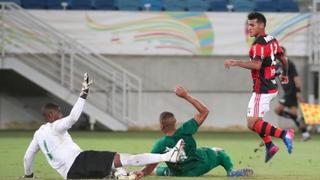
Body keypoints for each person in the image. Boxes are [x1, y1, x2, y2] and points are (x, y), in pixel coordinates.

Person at [22, 73, 185, 179]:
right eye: (58, 113)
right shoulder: (55, 127)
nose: (60, 115)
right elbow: (73, 117)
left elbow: (28, 157)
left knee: (112, 171)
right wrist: (83, 94)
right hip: (80, 161)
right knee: (127, 158)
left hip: (71, 175)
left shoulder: (38, 134)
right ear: (50, 116)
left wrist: (28, 176)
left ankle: (119, 175)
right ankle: (167, 157)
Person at [134, 85, 253, 179]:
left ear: (161, 126)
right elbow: (204, 111)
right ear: (175, 122)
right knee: (219, 152)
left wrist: (141, 173)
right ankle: (231, 172)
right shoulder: (185, 130)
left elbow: (148, 170)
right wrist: (185, 96)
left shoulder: (159, 145)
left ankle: (145, 172)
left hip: (179, 174)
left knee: (158, 170)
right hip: (199, 166)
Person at [224, 12, 295, 163]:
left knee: (252, 122)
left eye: (252, 25)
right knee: (255, 123)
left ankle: (284, 134)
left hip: (262, 88)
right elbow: (283, 58)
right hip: (270, 86)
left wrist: (235, 63)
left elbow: (256, 65)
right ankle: (270, 146)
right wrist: (285, 74)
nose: (248, 28)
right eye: (248, 25)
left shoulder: (258, 45)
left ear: (261, 25)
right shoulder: (272, 40)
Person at [274, 46, 311, 141]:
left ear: (285, 54)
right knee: (294, 114)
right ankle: (305, 133)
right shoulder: (276, 65)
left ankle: (298, 117)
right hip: (287, 92)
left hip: (291, 91)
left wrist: (298, 92)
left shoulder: (289, 64)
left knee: (278, 110)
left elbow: (296, 78)